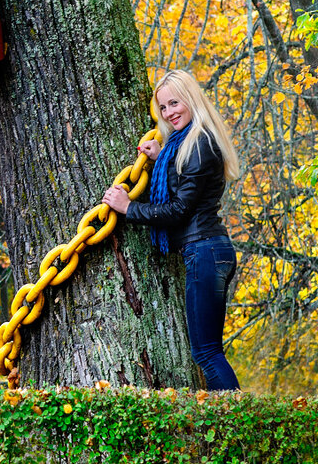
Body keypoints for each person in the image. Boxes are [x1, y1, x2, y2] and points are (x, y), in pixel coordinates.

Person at [101, 69, 241, 390]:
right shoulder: (189, 143)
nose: (168, 113)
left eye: (175, 103)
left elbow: (179, 209)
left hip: (204, 251)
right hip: (207, 250)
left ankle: (239, 426)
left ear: (191, 100)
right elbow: (186, 184)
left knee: (206, 352)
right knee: (209, 350)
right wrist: (163, 156)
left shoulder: (200, 142)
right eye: (163, 107)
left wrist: (128, 208)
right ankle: (236, 421)